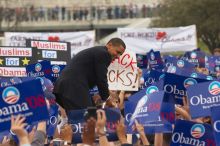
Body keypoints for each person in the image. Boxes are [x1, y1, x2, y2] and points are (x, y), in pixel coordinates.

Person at [53, 38, 126, 110]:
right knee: (88, 117)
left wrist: (109, 93)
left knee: (80, 117)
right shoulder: (104, 54)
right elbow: (101, 79)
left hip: (64, 87)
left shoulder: (97, 51)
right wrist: (107, 98)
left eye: (121, 54)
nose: (118, 56)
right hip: (72, 88)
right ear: (109, 45)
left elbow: (97, 78)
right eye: (117, 52)